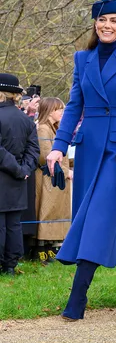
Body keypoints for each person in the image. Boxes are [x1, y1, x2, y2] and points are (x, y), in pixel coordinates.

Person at [45, 0, 116, 321]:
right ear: (95, 24)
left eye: (113, 20)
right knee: (108, 220)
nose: (106, 25)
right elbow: (74, 106)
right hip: (89, 148)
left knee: (98, 217)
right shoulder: (82, 59)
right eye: (101, 19)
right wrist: (58, 147)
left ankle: (77, 298)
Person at [0, 73, 40, 276]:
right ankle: (10, 265)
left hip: (5, 176)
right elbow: (34, 150)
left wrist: (18, 169)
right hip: (18, 180)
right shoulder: (26, 120)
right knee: (13, 223)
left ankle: (5, 264)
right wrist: (24, 170)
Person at [34, 97, 72, 264]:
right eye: (59, 109)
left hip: (57, 178)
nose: (61, 113)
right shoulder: (43, 129)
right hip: (48, 179)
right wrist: (65, 172)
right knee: (46, 211)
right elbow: (44, 157)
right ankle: (40, 249)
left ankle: (50, 246)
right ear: (49, 110)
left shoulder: (56, 129)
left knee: (56, 212)